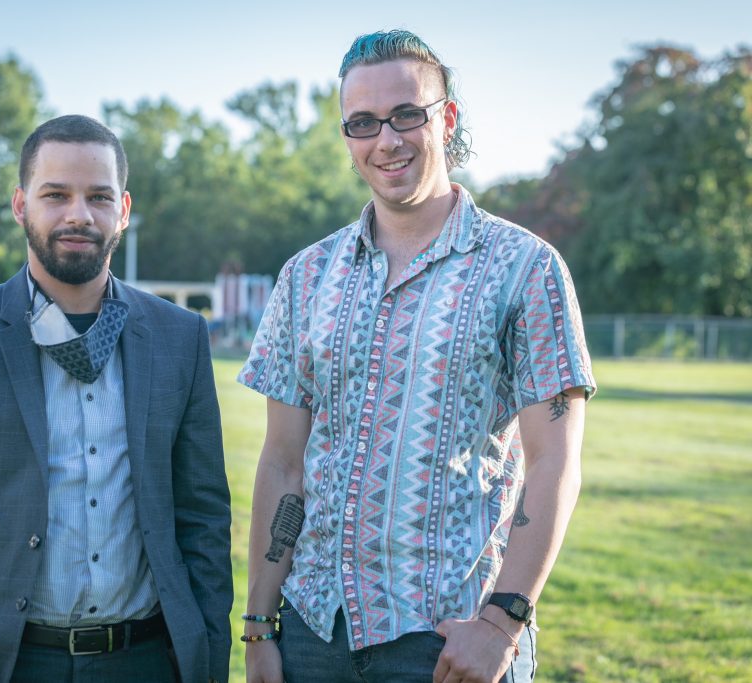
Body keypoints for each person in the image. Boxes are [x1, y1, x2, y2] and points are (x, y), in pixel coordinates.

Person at [239, 30, 596, 683]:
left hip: (448, 636)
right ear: (347, 136)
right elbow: (283, 461)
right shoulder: (305, 276)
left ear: (446, 117)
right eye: (363, 123)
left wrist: (501, 622)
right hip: (313, 631)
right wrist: (260, 627)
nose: (387, 139)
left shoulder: (524, 268)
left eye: (408, 114)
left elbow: (556, 460)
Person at [0, 115, 232, 683]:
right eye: (56, 195)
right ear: (21, 205)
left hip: (146, 661)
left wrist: (207, 659)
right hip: (5, 663)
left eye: (98, 197)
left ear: (123, 209)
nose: (78, 214)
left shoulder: (179, 337)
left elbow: (204, 520)